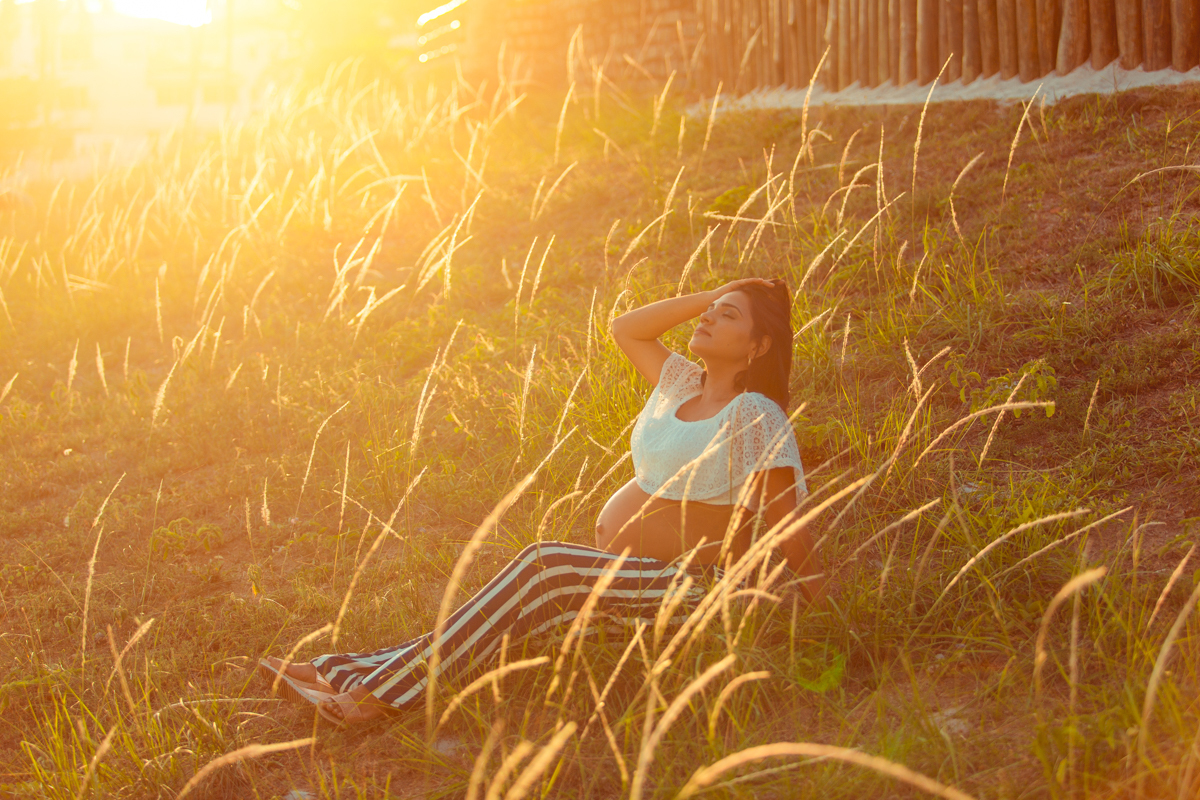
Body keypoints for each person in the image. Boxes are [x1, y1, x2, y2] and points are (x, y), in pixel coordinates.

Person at [258, 277, 826, 726]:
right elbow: (627, 328)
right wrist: (725, 294)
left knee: (544, 565)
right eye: (711, 311)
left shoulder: (755, 413)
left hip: (703, 591)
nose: (708, 318)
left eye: (730, 317)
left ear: (759, 346)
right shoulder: (680, 385)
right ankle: (342, 671)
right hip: (636, 586)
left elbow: (784, 521)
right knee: (521, 621)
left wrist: (824, 609)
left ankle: (379, 696)